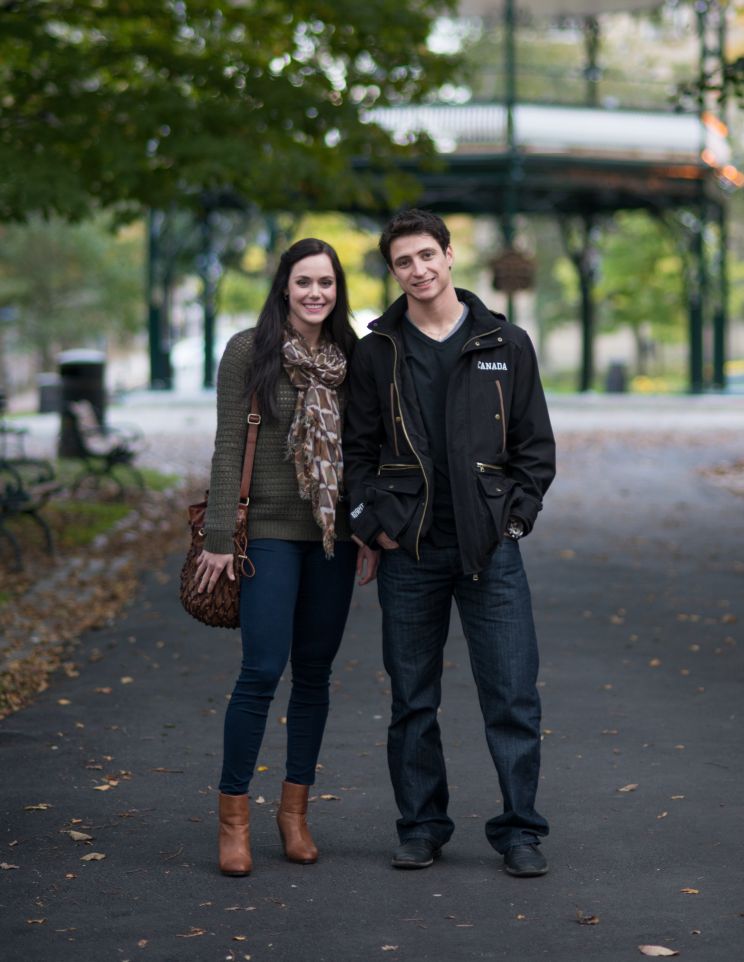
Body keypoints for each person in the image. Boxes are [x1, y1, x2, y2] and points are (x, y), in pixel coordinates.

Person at [343, 209, 555, 877]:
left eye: (427, 255)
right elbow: (354, 452)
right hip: (409, 550)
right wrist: (370, 524)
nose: (418, 269)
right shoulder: (377, 349)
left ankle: (519, 830)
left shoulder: (505, 342)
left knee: (513, 694)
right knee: (412, 698)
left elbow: (535, 449)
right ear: (393, 270)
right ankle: (421, 825)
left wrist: (512, 522)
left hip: (490, 551)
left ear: (449, 255)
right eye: (404, 261)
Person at [195, 238, 378, 877]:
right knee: (262, 670)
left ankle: (294, 814)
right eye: (304, 282)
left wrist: (365, 530)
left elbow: (361, 452)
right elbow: (226, 444)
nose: (315, 294)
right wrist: (220, 535)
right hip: (267, 532)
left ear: (338, 290)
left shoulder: (350, 357)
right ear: (284, 286)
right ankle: (234, 820)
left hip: (330, 537)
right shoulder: (250, 350)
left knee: (316, 675)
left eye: (326, 283)